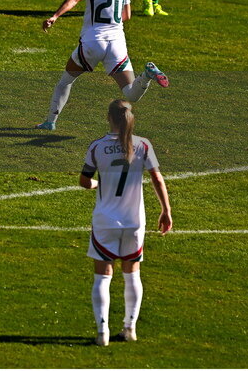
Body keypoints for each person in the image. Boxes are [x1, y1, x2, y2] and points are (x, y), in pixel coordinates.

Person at [35, 0, 169, 131]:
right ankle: (146, 75)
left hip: (92, 43)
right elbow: (127, 15)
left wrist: (55, 16)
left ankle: (50, 121)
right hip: (117, 44)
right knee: (130, 93)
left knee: (65, 81)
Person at [80, 99, 172, 345]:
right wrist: (166, 210)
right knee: (132, 274)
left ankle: (102, 333)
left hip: (105, 220)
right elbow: (157, 179)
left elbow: (84, 180)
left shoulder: (97, 147)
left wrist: (97, 184)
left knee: (103, 276)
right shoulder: (143, 145)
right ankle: (129, 329)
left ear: (108, 117)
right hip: (134, 221)